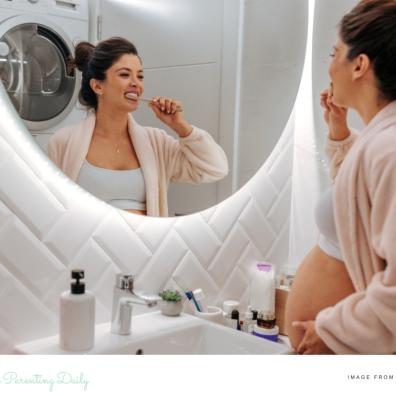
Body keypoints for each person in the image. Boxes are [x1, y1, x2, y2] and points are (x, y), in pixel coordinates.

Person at [286, 0, 396, 354]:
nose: (330, 66)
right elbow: (358, 201)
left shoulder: (389, 146)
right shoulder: (380, 141)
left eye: (335, 53)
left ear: (360, 65)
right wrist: (339, 131)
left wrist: (335, 331)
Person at [48, 37, 228, 217]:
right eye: (125, 75)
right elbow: (51, 208)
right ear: (97, 86)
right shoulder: (64, 142)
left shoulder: (157, 143)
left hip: (144, 244)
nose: (136, 83)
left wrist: (180, 126)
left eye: (140, 76)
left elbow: (215, 168)